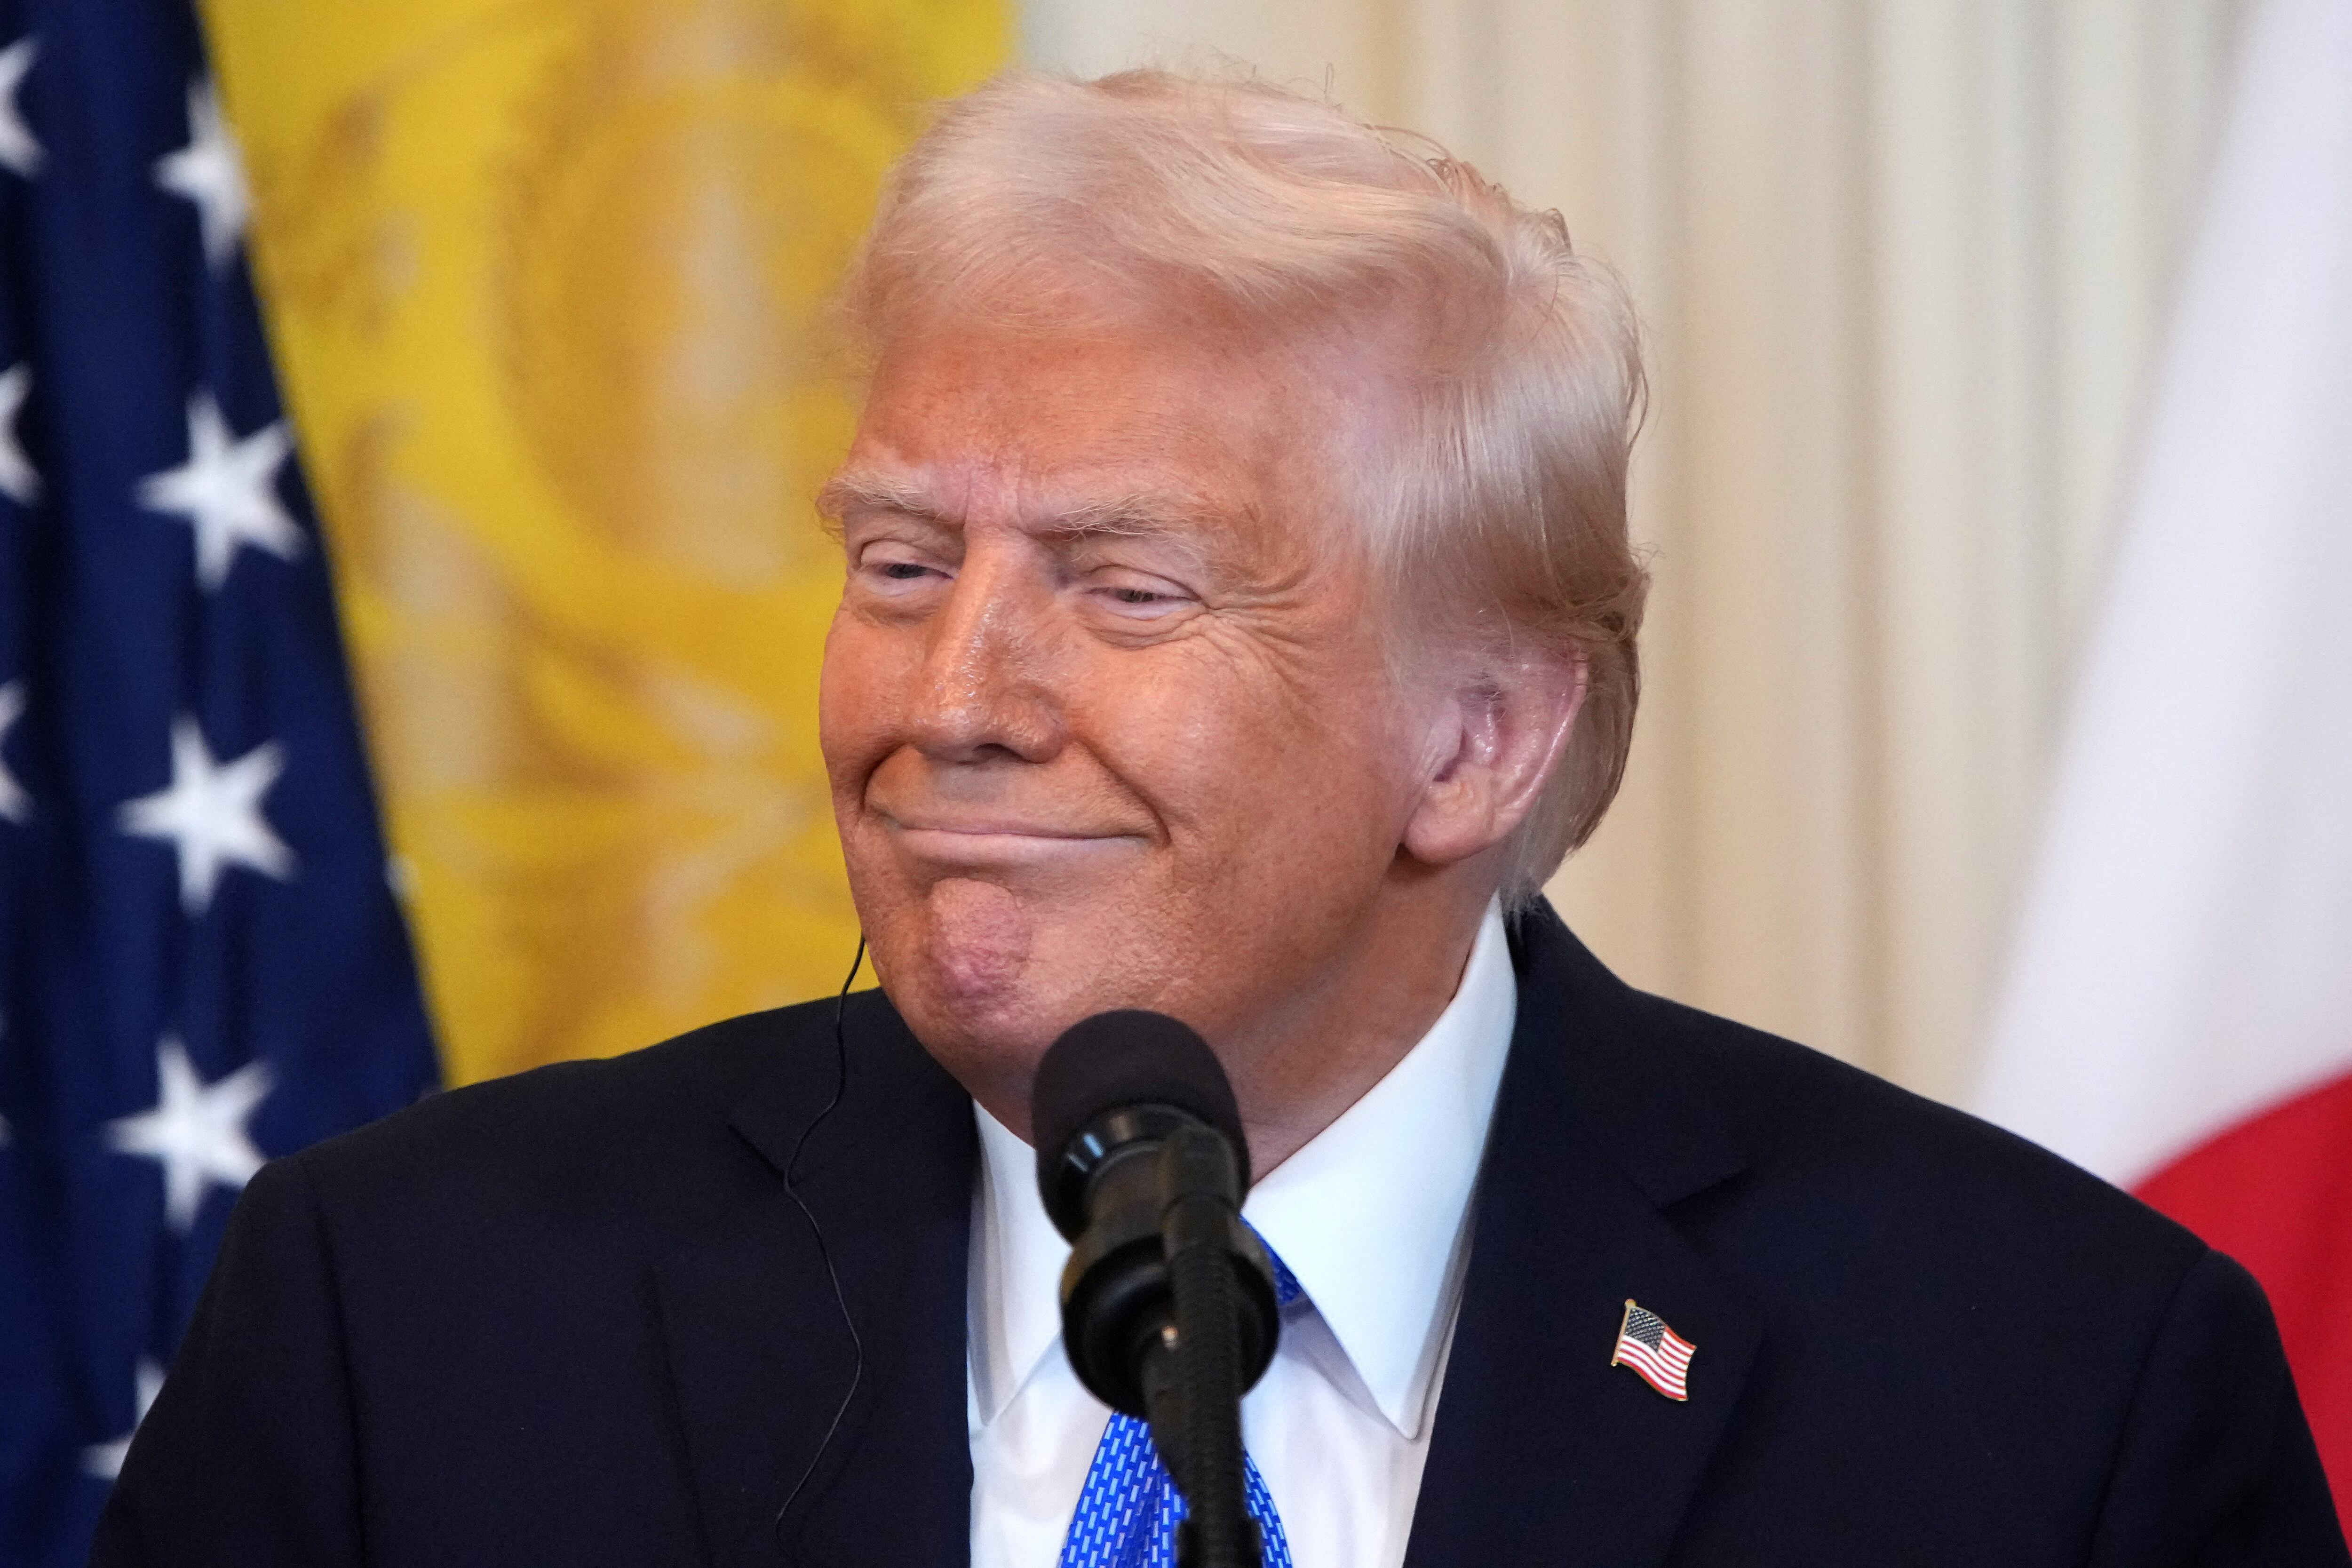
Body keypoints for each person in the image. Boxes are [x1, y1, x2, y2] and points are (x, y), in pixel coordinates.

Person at [92, 68, 2344, 1568]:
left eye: (1125, 585)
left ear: (1475, 743)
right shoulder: (409, 1319)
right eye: (898, 564)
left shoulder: (2049, 1397)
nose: (946, 704)